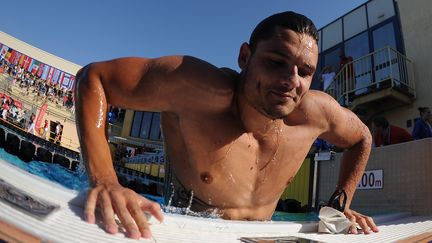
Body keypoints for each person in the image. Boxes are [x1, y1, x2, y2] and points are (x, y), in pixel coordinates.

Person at [75, 11, 378, 239]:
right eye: (275, 62)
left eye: (305, 71)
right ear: (245, 57)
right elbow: (94, 78)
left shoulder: (315, 114)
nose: (291, 81)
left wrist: (341, 204)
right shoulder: (197, 90)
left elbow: (361, 137)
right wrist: (105, 181)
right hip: (183, 232)